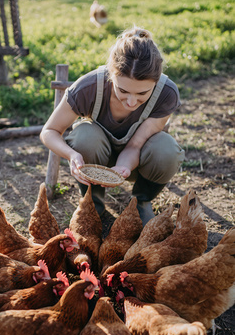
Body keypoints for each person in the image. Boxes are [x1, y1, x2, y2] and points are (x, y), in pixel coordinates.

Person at [40, 26, 185, 225]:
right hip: (94, 158)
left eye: (142, 93)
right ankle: (93, 202)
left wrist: (123, 167)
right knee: (84, 137)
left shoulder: (167, 93)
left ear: (157, 80)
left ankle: (141, 202)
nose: (132, 102)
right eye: (123, 90)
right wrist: (72, 155)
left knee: (167, 150)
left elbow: (135, 145)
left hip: (138, 162)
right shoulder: (89, 87)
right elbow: (49, 131)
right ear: (111, 73)